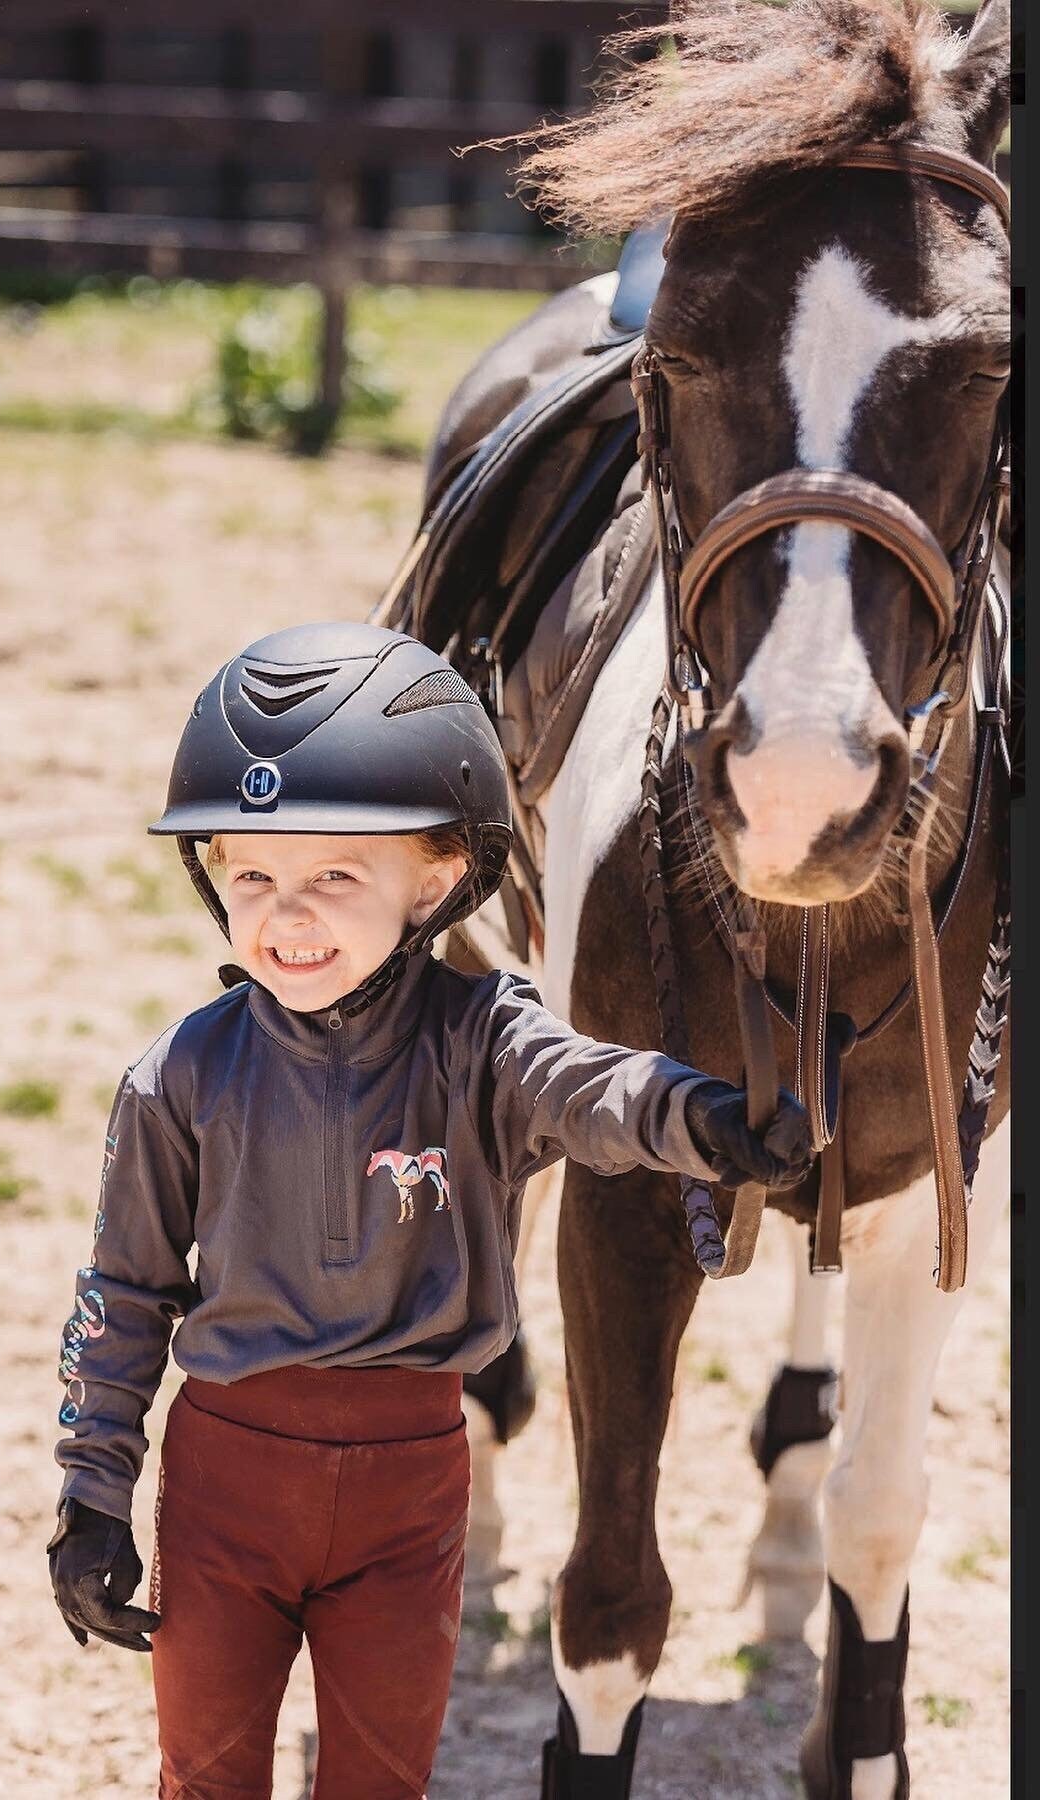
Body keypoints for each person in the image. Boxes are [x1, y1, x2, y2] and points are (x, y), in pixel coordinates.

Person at [47, 622, 811, 1799]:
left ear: (441, 877)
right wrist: (92, 1494)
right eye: (251, 874)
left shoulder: (483, 1040)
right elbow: (124, 1294)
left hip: (408, 1495)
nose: (286, 916)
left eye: (334, 876)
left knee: (381, 1781)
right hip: (226, 1487)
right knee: (203, 1776)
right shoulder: (177, 1078)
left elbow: (590, 1083)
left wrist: (698, 1114)